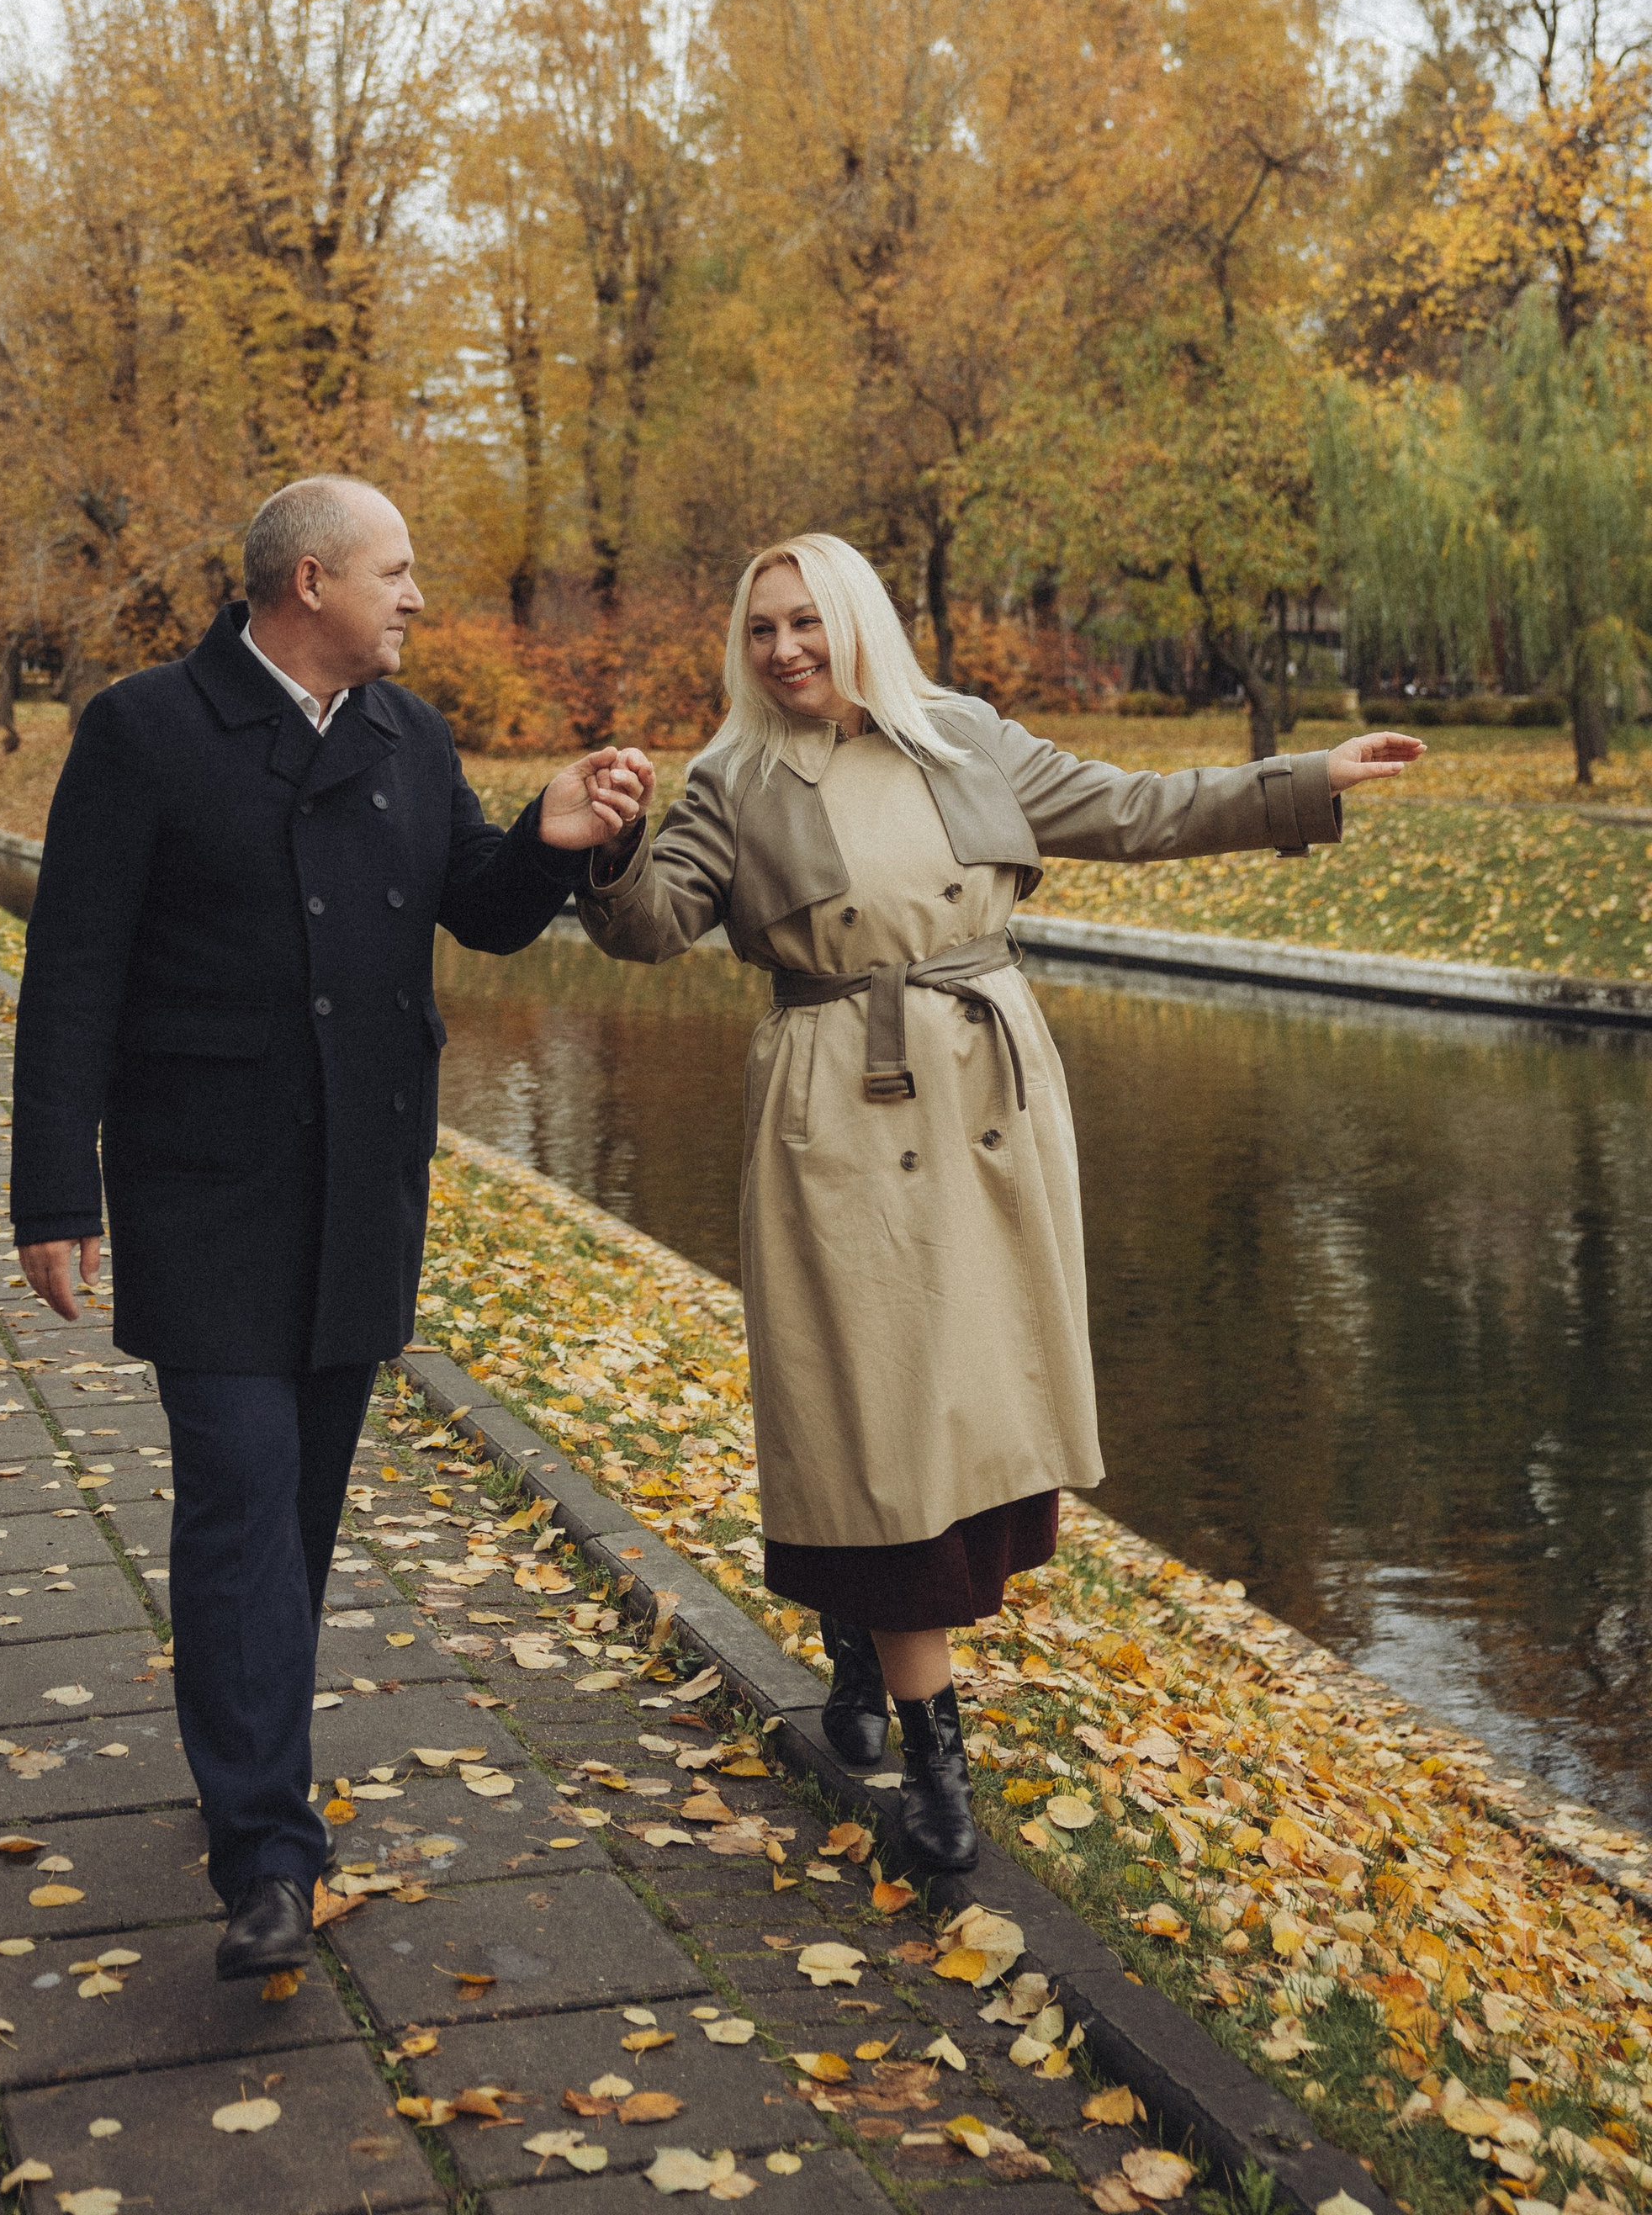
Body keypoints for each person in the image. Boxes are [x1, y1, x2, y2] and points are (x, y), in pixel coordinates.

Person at [579, 533, 1422, 1878]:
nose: (786, 649)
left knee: (963, 1410)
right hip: (838, 1119)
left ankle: (861, 1646)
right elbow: (650, 926)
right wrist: (608, 848)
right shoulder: (729, 780)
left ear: (857, 622)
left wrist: (1303, 780)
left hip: (987, 1108)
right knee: (870, 1411)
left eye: (809, 622)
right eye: (761, 631)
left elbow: (1143, 811)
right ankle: (937, 1760)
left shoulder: (965, 738)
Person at [10, 476, 652, 1979]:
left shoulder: (407, 736)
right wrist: (56, 1191)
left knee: (296, 1514)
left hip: (364, 1188)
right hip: (202, 1185)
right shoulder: (145, 731)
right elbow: (73, 973)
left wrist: (553, 836)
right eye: (399, 570)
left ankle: (247, 1751)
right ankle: (268, 1853)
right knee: (239, 1499)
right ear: (310, 582)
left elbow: (482, 909)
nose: (419, 596)